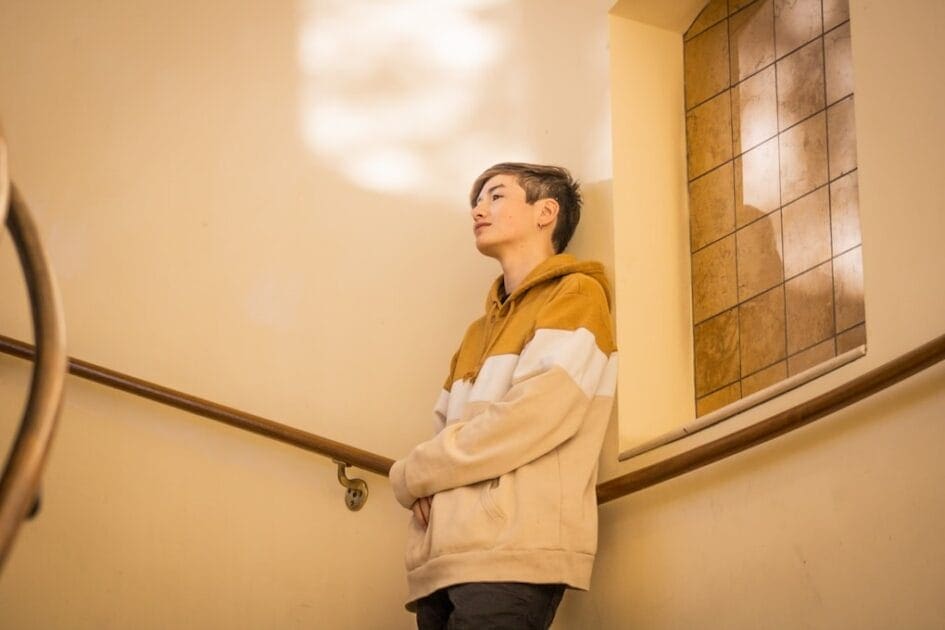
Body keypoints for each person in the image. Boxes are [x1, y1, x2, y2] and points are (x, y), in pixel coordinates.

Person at [389, 162, 618, 629]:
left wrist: (412, 475)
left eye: (496, 196)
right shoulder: (477, 332)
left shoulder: (576, 293)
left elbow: (535, 416)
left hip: (513, 551)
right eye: (476, 201)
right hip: (441, 559)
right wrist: (424, 481)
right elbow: (444, 433)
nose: (478, 210)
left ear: (545, 212)